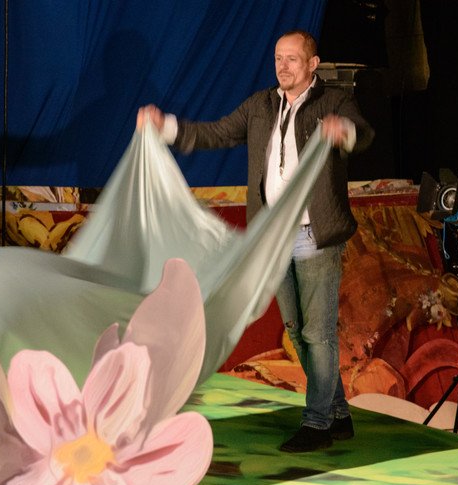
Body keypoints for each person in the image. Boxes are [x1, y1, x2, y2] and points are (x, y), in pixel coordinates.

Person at [139, 29, 374, 453]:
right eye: (278, 58)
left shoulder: (332, 101)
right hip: (273, 237)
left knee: (318, 333)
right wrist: (167, 127)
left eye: (292, 59)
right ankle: (338, 413)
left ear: (313, 64)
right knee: (296, 331)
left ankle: (317, 423)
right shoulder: (261, 105)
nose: (283, 66)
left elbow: (362, 132)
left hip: (315, 235)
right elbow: (217, 133)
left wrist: (344, 132)